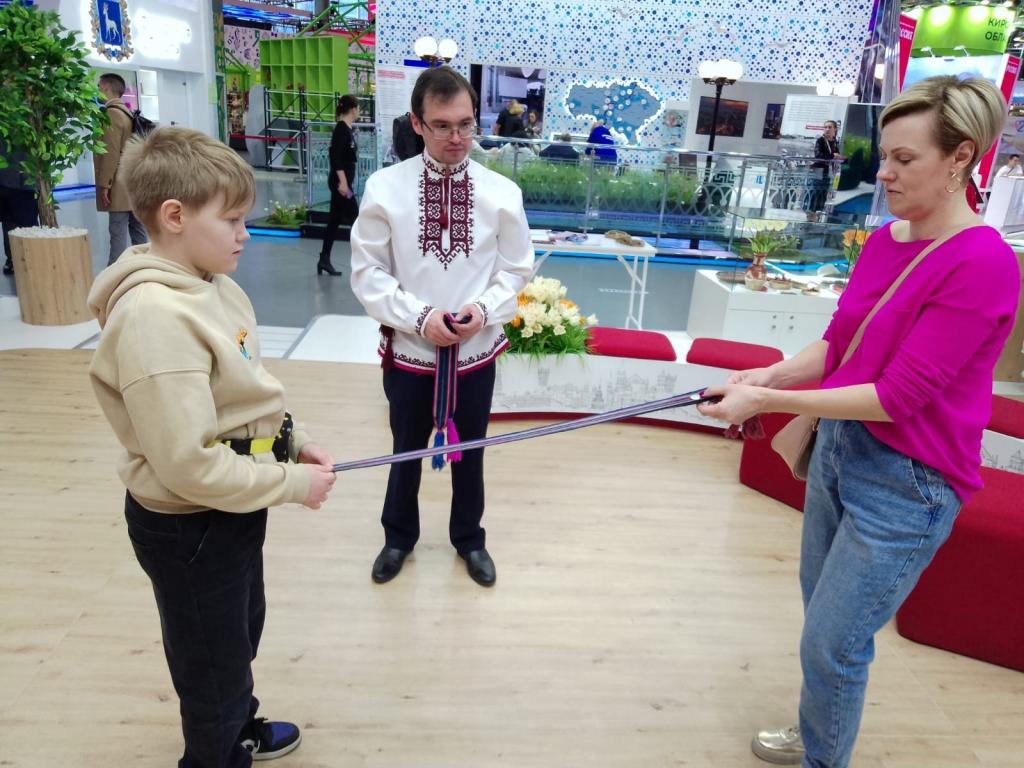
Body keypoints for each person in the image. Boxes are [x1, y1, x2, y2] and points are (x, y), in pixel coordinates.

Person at [697, 76, 1020, 768]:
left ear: (961, 156)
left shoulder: (983, 263)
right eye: (885, 156)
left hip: (909, 480)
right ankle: (822, 732)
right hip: (841, 447)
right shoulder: (885, 240)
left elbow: (897, 396)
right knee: (822, 619)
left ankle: (824, 755)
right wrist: (769, 376)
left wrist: (770, 404)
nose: (885, 174)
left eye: (905, 159)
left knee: (835, 640)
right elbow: (841, 346)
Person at [86, 127, 337, 768]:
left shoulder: (215, 284)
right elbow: (189, 464)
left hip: (230, 506)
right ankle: (215, 753)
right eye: (231, 220)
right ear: (174, 217)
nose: (244, 234)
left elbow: (246, 396)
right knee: (209, 660)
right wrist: (292, 486)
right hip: (189, 521)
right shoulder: (155, 318)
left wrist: (295, 443)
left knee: (237, 633)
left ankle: (236, 723)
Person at [350, 66, 534, 588]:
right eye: (442, 125)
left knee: (471, 450)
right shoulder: (385, 188)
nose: (457, 138)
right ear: (416, 123)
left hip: (475, 351)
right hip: (412, 349)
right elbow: (367, 272)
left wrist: (484, 310)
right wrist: (420, 317)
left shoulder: (503, 192)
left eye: (466, 124)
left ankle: (469, 539)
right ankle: (398, 537)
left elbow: (516, 268)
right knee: (405, 449)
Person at [95, 73, 148, 265]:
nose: (97, 91)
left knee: (117, 233)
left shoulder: (111, 114)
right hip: (132, 181)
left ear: (106, 88)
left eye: (99, 87)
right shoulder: (127, 113)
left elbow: (110, 153)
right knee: (138, 230)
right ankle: (145, 266)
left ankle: (115, 273)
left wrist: (105, 185)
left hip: (118, 184)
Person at [318, 94, 360, 277]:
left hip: (343, 183)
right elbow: (335, 157)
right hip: (341, 185)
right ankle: (366, 262)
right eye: (358, 107)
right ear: (352, 109)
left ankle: (324, 259)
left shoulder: (347, 129)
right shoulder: (341, 129)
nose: (359, 111)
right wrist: (343, 182)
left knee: (334, 221)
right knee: (357, 220)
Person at [0, 137, 38, 276]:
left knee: (24, 221)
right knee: (10, 220)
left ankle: (27, 257)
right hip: (8, 177)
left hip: (22, 177)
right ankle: (14, 258)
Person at [809, 119, 845, 211]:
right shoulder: (820, 140)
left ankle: (819, 212)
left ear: (835, 129)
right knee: (816, 193)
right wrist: (832, 155)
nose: (827, 129)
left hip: (829, 171)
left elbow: (836, 155)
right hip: (819, 170)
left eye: (830, 127)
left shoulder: (835, 142)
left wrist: (841, 158)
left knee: (824, 193)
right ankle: (811, 213)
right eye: (825, 127)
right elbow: (818, 155)